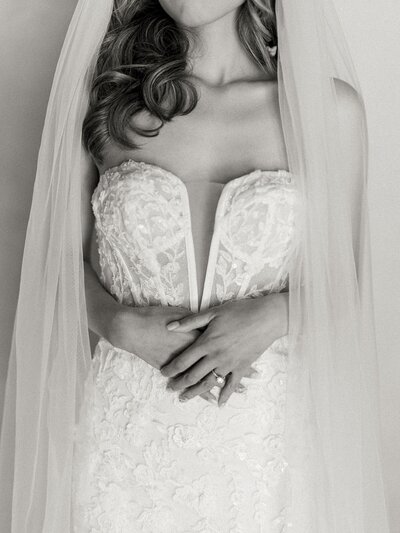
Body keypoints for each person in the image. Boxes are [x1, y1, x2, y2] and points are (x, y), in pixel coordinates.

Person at [0, 0, 390, 532]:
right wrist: (113, 321)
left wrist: (275, 315)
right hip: (126, 443)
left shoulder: (327, 110)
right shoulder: (105, 105)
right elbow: (56, 262)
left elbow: (346, 291)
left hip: (266, 446)